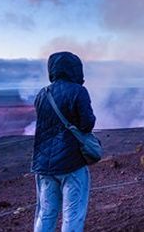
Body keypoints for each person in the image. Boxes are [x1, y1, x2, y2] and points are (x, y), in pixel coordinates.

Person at [32, 51, 96, 232]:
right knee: (72, 214)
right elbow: (87, 124)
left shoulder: (42, 94)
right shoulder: (78, 91)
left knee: (46, 213)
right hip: (71, 163)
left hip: (43, 164)